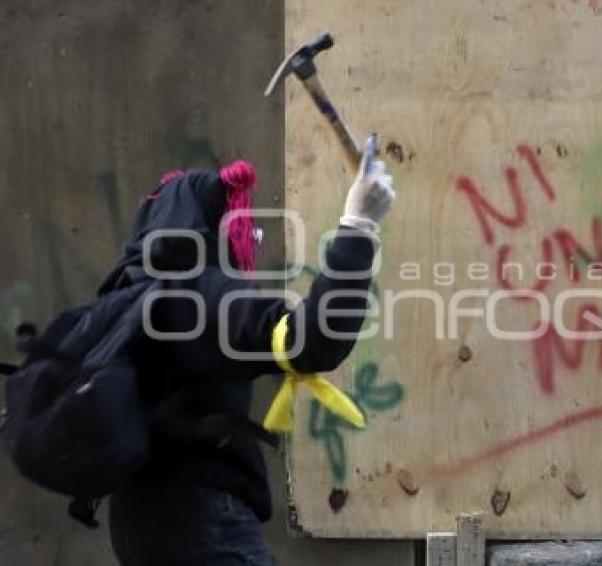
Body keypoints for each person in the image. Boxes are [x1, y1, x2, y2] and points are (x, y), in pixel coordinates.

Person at [105, 136, 394, 565]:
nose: (252, 236)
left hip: (139, 520)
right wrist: (359, 225)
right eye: (243, 224)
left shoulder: (129, 295)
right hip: (201, 521)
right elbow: (313, 342)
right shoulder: (198, 292)